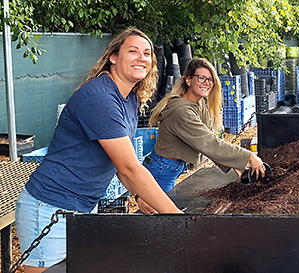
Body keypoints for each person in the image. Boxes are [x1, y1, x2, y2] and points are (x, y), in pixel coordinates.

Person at [15, 27, 183, 273]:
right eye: (133, 51)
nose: (141, 57)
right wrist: (178, 218)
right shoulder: (101, 97)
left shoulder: (129, 99)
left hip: (82, 208)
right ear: (113, 57)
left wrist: (139, 195)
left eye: (147, 53)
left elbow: (118, 161)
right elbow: (129, 168)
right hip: (50, 208)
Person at [141, 58, 264, 212]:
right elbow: (208, 143)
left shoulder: (198, 103)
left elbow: (209, 137)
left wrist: (233, 163)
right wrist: (248, 157)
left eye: (210, 80)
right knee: (159, 216)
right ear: (188, 80)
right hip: (161, 170)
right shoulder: (182, 112)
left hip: (170, 167)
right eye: (202, 78)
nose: (207, 83)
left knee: (162, 215)